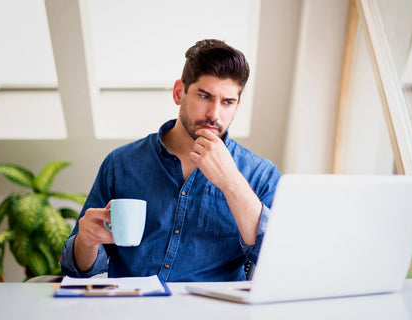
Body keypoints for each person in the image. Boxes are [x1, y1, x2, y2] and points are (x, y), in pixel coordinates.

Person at [60, 39, 281, 282]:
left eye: (227, 102)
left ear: (237, 106)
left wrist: (231, 182)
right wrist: (86, 241)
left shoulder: (261, 174)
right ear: (179, 92)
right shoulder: (120, 163)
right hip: (132, 309)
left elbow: (278, 260)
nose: (214, 114)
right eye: (204, 96)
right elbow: (75, 270)